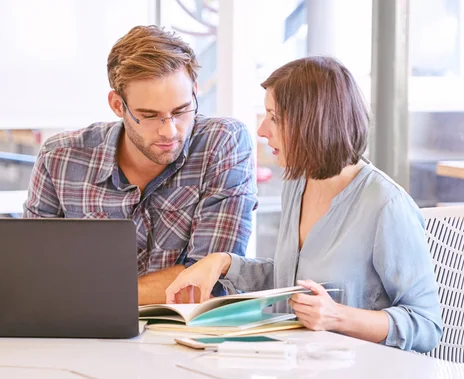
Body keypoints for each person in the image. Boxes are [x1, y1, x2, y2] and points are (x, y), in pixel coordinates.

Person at [166, 57, 442, 353]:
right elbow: (292, 282)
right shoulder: (297, 183)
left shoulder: (387, 205)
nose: (261, 130)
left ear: (312, 123)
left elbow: (426, 325)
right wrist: (222, 262)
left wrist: (336, 316)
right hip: (298, 372)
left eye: (274, 117)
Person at [24, 25, 257, 305]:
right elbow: (36, 275)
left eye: (181, 111)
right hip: (86, 335)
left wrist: (82, 294)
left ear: (195, 91)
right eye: (149, 115)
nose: (169, 131)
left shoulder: (222, 143)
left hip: (190, 338)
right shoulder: (60, 158)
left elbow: (211, 282)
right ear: (117, 105)